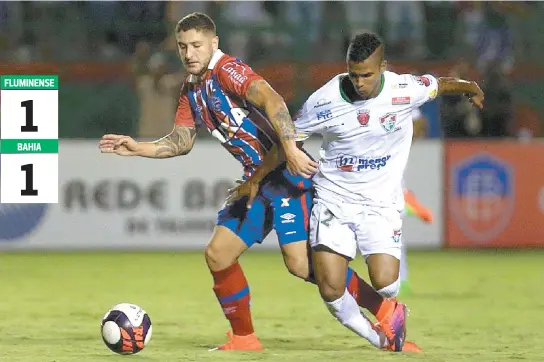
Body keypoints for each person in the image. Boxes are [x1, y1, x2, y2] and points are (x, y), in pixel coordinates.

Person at [99, 14, 405, 352]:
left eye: (196, 45)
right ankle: (244, 338)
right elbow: (182, 141)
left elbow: (272, 99)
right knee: (218, 254)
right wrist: (139, 147)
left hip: (285, 176)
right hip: (255, 182)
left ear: (213, 44)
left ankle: (385, 308)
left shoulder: (228, 71)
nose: (189, 53)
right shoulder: (192, 88)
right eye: (183, 47)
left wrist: (288, 146)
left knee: (301, 265)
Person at [229, 32, 484, 352]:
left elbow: (439, 84)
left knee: (386, 282)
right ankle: (382, 341)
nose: (360, 82)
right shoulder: (324, 100)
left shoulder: (403, 89)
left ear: (383, 68)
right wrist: (255, 179)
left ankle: (392, 310)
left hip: (380, 203)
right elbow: (289, 142)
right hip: (334, 200)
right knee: (330, 287)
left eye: (367, 75)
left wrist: (469, 88)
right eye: (354, 75)